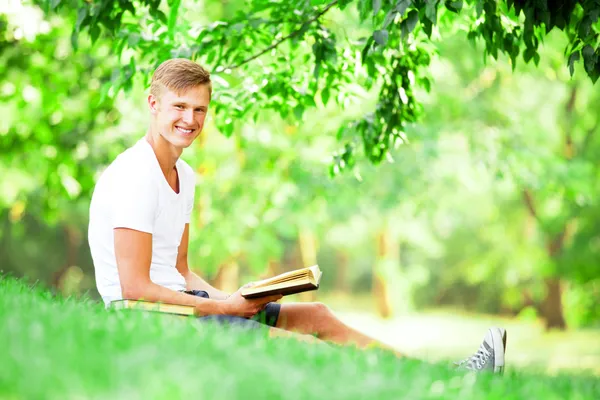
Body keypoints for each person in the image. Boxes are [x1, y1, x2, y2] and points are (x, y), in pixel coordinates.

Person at [87, 58, 507, 374]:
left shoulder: (185, 175)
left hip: (181, 304)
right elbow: (135, 289)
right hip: (146, 320)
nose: (190, 119)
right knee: (309, 351)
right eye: (180, 106)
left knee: (317, 317)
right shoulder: (135, 174)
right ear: (153, 103)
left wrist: (235, 299)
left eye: (200, 110)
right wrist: (225, 310)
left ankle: (449, 379)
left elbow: (179, 271)